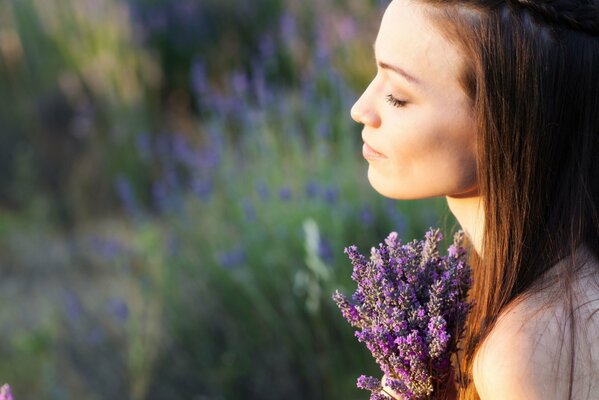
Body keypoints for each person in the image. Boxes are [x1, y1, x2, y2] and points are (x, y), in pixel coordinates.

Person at [350, 0, 599, 399]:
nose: (360, 109)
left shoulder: (527, 351)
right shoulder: (528, 279)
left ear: (505, 124)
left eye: (397, 97)